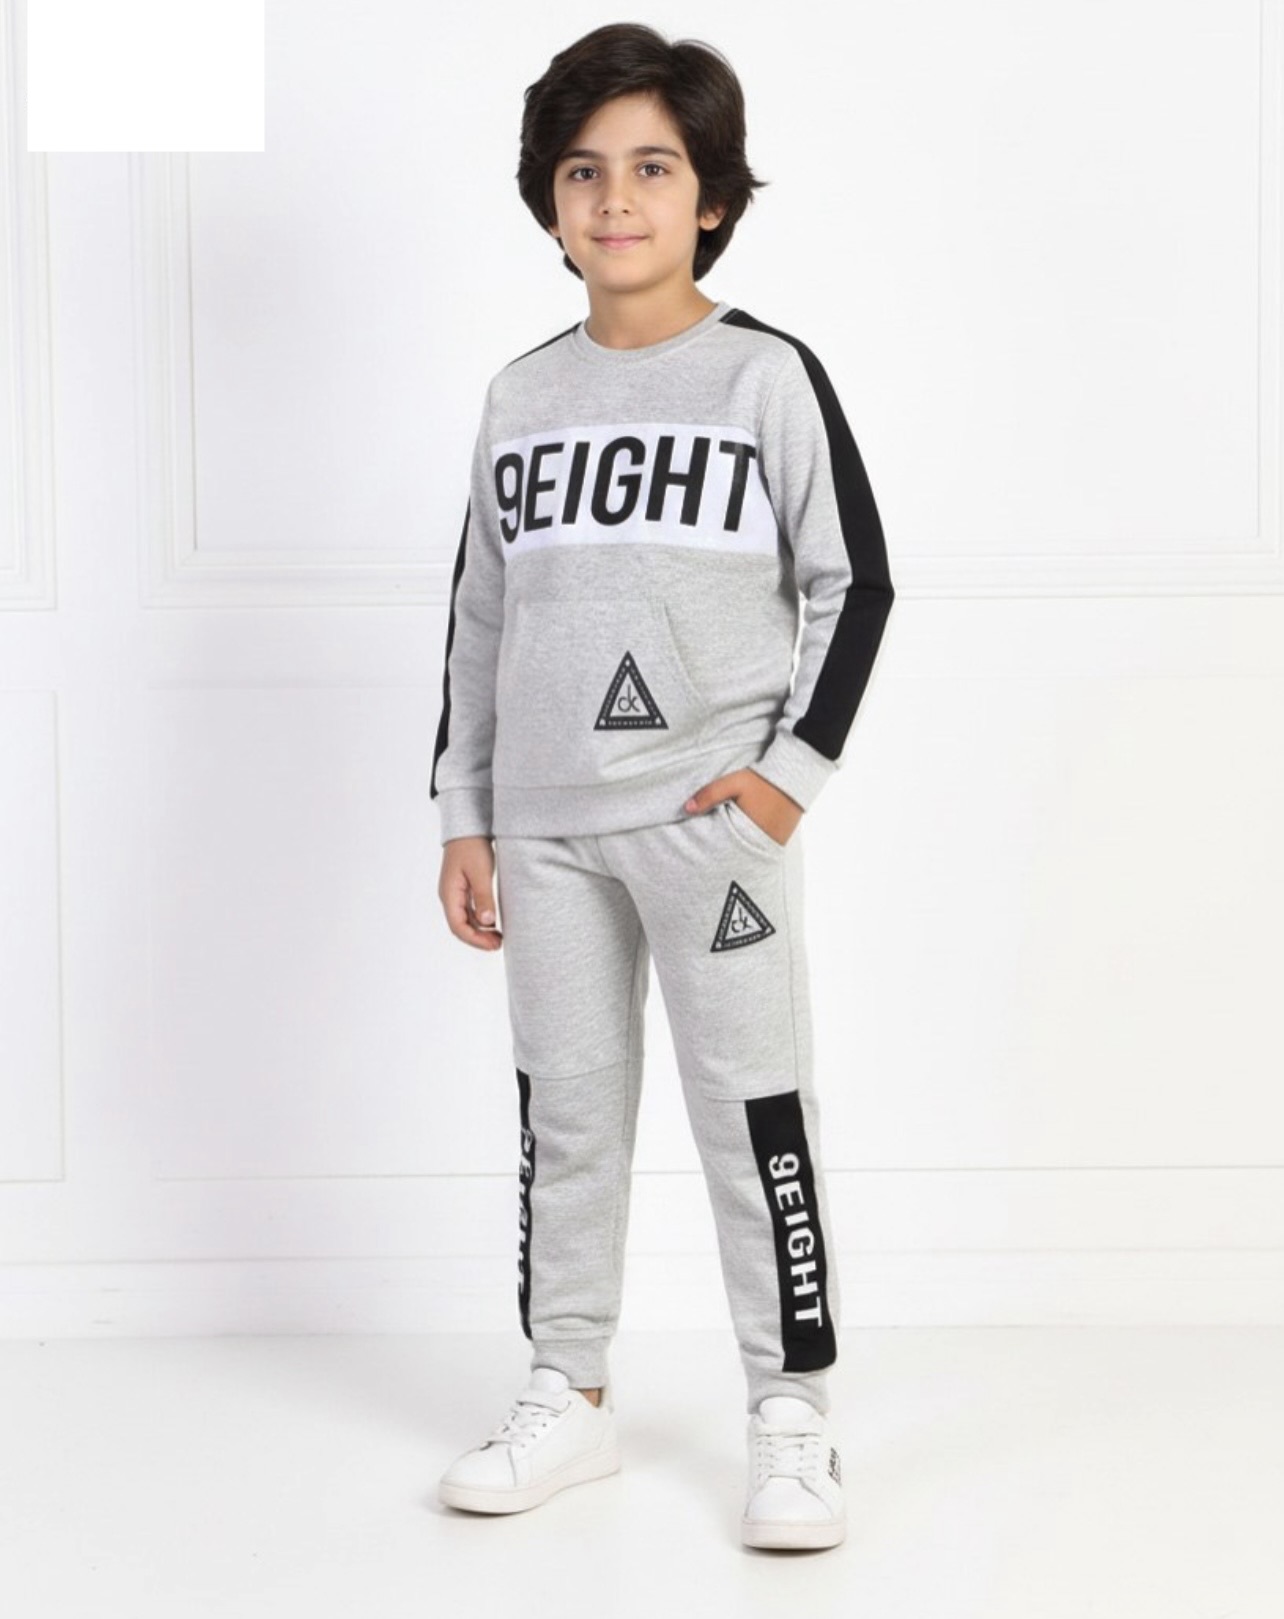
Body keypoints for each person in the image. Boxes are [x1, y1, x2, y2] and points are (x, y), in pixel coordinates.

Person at [430, 22, 894, 1551]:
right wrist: (468, 815)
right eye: (584, 172)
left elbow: (856, 583)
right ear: (549, 201)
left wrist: (784, 783)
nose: (615, 199)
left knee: (754, 1114)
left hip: (712, 827)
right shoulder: (518, 397)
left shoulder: (765, 376)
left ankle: (793, 1414)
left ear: (712, 198)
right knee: (566, 1117)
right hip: (546, 831)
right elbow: (480, 618)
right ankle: (568, 1391)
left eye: (651, 168)